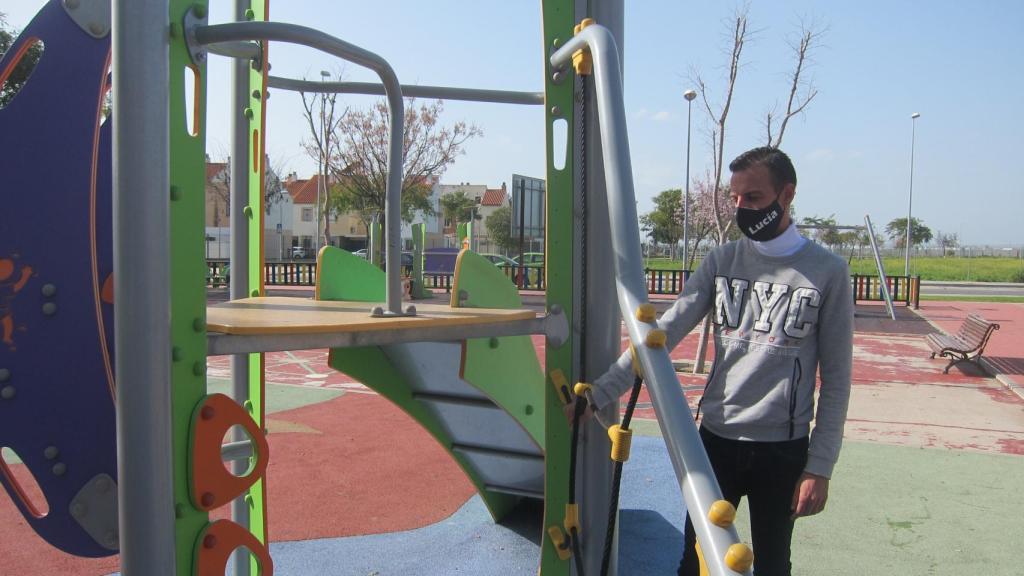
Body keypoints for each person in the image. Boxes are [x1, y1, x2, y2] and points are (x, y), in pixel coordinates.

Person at [588, 147, 853, 575]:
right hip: (715, 442)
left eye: (753, 197)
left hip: (782, 451)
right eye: (734, 198)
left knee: (771, 565)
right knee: (695, 562)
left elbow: (838, 380)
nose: (740, 208)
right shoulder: (722, 261)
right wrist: (599, 393)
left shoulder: (827, 272)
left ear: (787, 194)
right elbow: (662, 333)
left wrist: (819, 467)